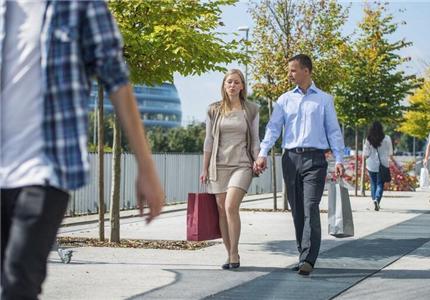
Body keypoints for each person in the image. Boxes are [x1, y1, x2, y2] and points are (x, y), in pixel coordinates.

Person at [0, 1, 164, 299]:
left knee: (18, 281)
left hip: (46, 168)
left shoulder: (79, 6)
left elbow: (117, 81)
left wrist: (146, 165)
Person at [254, 54, 345, 276]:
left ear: (306, 71)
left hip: (315, 160)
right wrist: (263, 153)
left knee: (310, 207)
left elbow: (334, 131)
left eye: (293, 70)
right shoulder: (284, 100)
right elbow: (274, 128)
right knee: (297, 210)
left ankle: (308, 258)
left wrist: (339, 159)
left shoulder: (324, 100)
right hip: (290, 159)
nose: (290, 74)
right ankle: (302, 253)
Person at [200, 69, 260, 270]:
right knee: (222, 212)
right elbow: (208, 140)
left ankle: (234, 254)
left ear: (242, 86)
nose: (232, 85)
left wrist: (258, 158)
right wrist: (205, 168)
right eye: (229, 82)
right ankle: (229, 253)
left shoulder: (251, 109)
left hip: (242, 164)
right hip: (218, 166)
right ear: (224, 86)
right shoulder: (213, 109)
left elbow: (255, 139)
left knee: (230, 206)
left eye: (236, 82)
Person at [363, 121, 396, 211]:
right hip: (383, 164)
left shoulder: (369, 139)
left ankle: (374, 200)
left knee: (373, 183)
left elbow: (366, 153)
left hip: (371, 164)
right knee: (380, 183)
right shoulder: (387, 138)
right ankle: (377, 199)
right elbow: (390, 153)